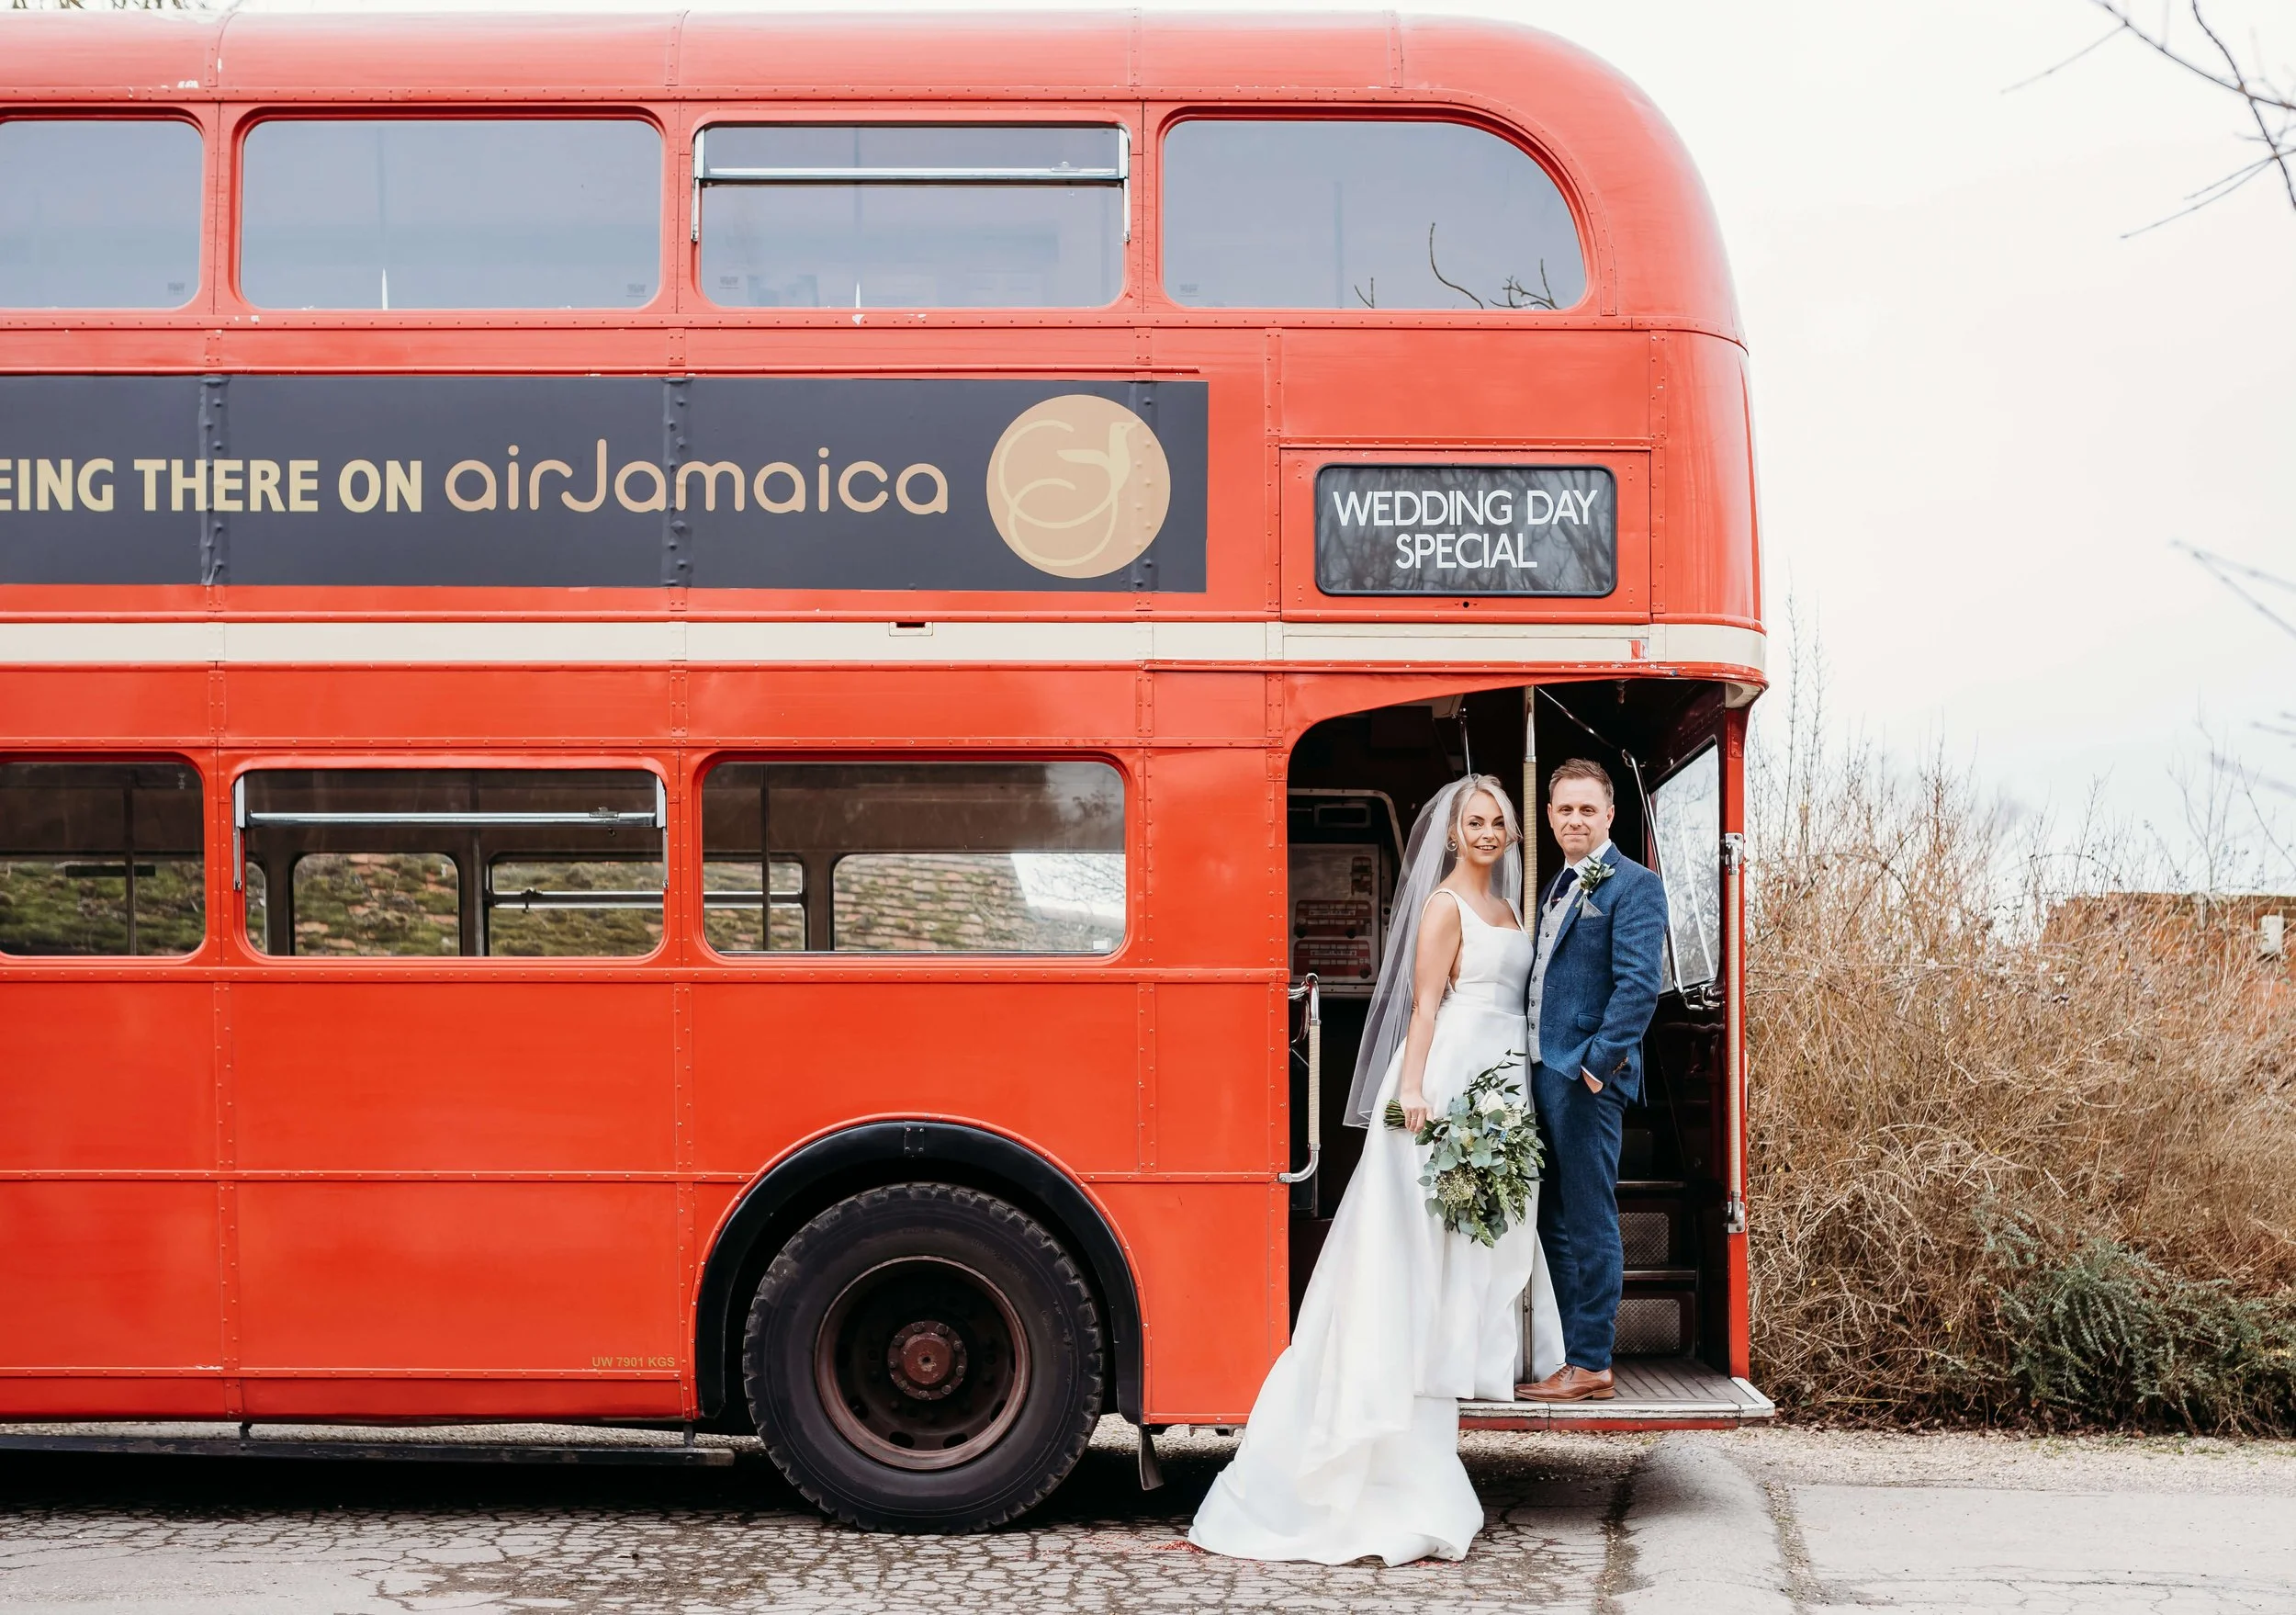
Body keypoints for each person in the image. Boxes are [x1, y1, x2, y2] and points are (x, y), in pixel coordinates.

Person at [1189, 776, 1565, 1566]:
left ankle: (1433, 1410)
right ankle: (1373, 1443)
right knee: (1407, 1256)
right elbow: (1426, 1007)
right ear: (1454, 833)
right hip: (1449, 1084)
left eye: (1500, 821)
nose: (1491, 832)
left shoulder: (1510, 910)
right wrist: (1415, 1094)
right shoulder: (1443, 907)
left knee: (1468, 1251)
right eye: (1476, 821)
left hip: (1502, 1083)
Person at [1515, 758, 1668, 1404]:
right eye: (1563, 809)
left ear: (1610, 815)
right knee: (1553, 1216)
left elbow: (1638, 986)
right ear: (1549, 818)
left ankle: (1591, 1360)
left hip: (1583, 1078)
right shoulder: (1560, 883)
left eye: (1586, 809)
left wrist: (1596, 1066)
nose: (1574, 819)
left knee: (1589, 1217)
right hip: (1543, 1071)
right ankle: (1572, 1355)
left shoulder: (1633, 885)